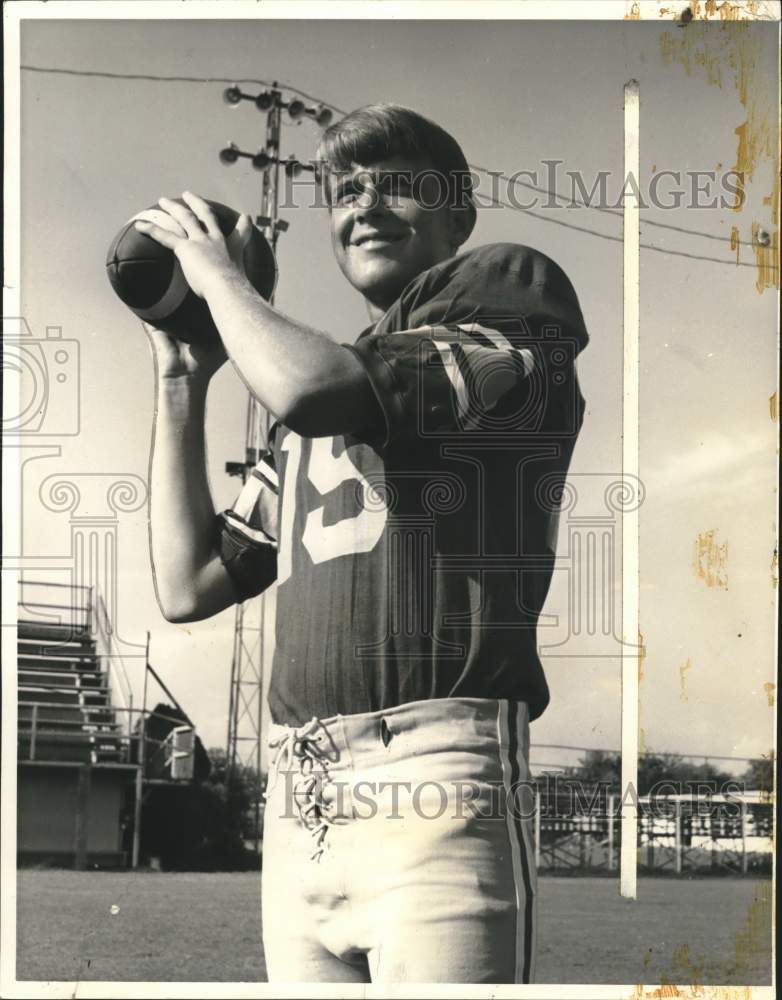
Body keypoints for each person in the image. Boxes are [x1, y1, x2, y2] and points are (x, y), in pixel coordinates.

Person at [138, 103, 588, 984]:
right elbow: (186, 582)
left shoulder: (508, 286)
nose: (366, 204)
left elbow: (312, 388)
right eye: (345, 191)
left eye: (399, 184)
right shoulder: (327, 381)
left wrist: (212, 271)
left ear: (458, 210)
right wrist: (181, 377)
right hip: (300, 793)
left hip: (436, 770)